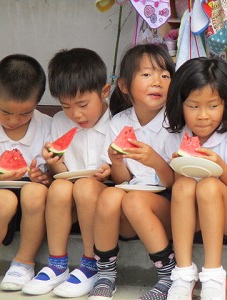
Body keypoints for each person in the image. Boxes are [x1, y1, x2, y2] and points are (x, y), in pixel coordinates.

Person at [88, 44, 175, 300]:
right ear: (125, 86)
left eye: (165, 75)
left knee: (133, 200)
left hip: (167, 208)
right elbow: (123, 180)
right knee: (109, 196)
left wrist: (155, 160)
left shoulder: (176, 122)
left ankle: (169, 276)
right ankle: (105, 273)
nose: (157, 82)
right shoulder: (119, 122)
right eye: (147, 75)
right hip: (130, 210)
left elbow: (175, 183)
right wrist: (116, 162)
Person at [22, 48, 112, 298]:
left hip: (102, 200)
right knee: (60, 187)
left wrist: (110, 170)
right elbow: (62, 176)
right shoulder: (59, 122)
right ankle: (58, 264)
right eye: (66, 106)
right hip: (70, 200)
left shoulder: (117, 121)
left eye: (83, 104)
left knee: (84, 187)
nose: (76, 114)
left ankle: (90, 263)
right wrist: (51, 166)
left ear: (105, 92)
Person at [163, 57, 227, 299]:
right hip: (193, 221)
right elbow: (171, 188)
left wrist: (220, 167)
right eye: (193, 106)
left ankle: (214, 275)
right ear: (179, 104)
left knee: (209, 186)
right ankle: (183, 274)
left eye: (213, 106)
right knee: (182, 185)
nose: (203, 116)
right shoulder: (175, 136)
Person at [0, 54, 51, 291]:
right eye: (6, 112)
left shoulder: (47, 126)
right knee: (3, 198)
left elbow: (56, 173)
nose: (14, 120)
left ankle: (24, 263)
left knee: (35, 192)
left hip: (37, 201)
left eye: (25, 113)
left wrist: (45, 178)